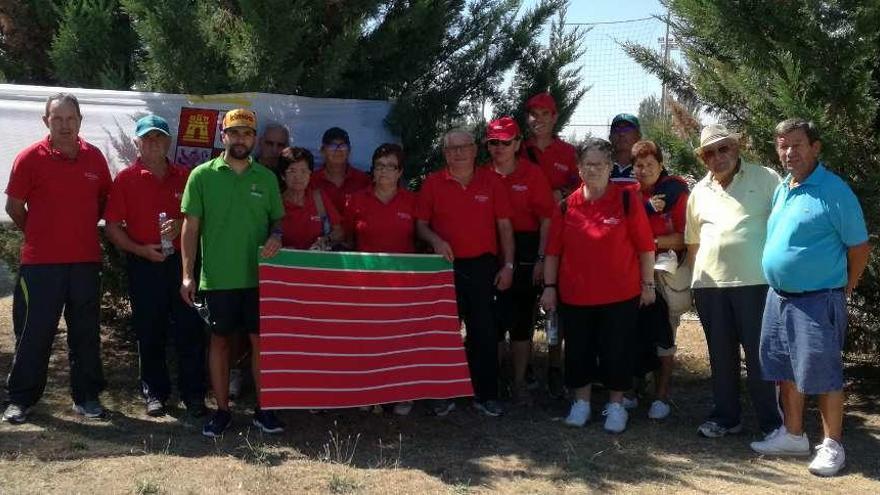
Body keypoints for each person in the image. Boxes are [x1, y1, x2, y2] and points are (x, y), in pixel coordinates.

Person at [749, 119, 870, 477]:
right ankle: (794, 434)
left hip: (818, 300)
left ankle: (833, 445)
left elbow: (859, 247)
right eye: (783, 146)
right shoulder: (784, 187)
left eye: (798, 145)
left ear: (815, 147)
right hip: (779, 297)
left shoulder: (834, 191)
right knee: (784, 370)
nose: (790, 152)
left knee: (825, 374)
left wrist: (845, 286)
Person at [2, 93, 112, 424]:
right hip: (40, 265)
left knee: (85, 333)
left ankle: (87, 398)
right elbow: (14, 207)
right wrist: (38, 234)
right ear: (46, 121)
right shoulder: (29, 158)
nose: (65, 125)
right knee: (34, 333)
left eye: (71, 119)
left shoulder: (94, 158)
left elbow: (105, 201)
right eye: (57, 118)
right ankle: (21, 400)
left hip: (84, 262)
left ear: (80, 121)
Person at [179, 108, 285, 437]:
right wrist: (187, 274)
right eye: (234, 133)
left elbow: (277, 221)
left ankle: (263, 410)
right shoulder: (201, 175)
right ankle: (223, 411)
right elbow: (190, 228)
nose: (241, 139)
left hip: (259, 279)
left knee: (260, 345)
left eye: (247, 134)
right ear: (222, 136)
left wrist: (276, 236)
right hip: (218, 278)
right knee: (220, 344)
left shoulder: (266, 178)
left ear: (254, 139)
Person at [540, 137, 655, 434]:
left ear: (610, 167)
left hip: (621, 294)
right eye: (589, 164)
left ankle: (616, 406)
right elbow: (553, 252)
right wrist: (549, 287)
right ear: (579, 168)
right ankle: (581, 403)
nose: (595, 170)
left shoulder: (628, 199)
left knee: (618, 350)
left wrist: (648, 284)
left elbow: (645, 247)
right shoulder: (566, 206)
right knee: (579, 350)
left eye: (602, 164)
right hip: (576, 296)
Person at [104, 114, 206, 418]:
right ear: (136, 143)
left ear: (168, 142)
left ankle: (194, 395)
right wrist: (139, 250)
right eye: (146, 138)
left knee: (190, 331)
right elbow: (111, 227)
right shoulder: (125, 179)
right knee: (150, 331)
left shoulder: (187, 177)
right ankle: (155, 394)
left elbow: (200, 219)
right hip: (145, 265)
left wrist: (181, 224)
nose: (153, 143)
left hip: (182, 264)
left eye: (159, 137)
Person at [686, 123, 783, 438]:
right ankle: (726, 418)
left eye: (723, 148)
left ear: (736, 147)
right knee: (721, 357)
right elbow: (693, 242)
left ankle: (771, 423)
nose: (718, 156)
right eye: (710, 152)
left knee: (760, 358)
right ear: (704, 159)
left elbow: (784, 228)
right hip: (710, 287)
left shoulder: (767, 178)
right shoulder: (698, 192)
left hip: (756, 284)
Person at [416, 128, 515, 417]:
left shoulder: (492, 181)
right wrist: (435, 241)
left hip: (483, 266)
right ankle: (441, 393)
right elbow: (420, 224)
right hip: (444, 267)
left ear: (474, 150)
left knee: (484, 332)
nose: (457, 153)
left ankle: (486, 395)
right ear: (445, 153)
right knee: (443, 333)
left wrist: (508, 265)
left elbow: (505, 227)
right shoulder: (433, 183)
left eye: (463, 147)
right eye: (451, 149)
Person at [483, 117, 555, 406]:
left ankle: (519, 380)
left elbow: (548, 219)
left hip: (526, 247)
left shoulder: (532, 174)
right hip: (491, 247)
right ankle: (497, 379)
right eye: (493, 142)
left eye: (505, 142)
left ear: (516, 144)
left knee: (522, 319)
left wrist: (540, 258)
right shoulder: (481, 174)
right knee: (494, 320)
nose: (499, 148)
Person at [344, 143, 418, 415]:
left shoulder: (412, 201)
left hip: (401, 285)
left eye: (391, 166)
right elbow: (347, 238)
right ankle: (368, 391)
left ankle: (402, 393)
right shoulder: (356, 200)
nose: (385, 171)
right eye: (380, 165)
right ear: (372, 170)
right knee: (368, 340)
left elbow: (421, 237)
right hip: (366, 283)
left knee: (399, 340)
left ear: (400, 172)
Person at [521, 92, 578, 397]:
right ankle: (526, 364)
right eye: (534, 114)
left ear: (555, 118)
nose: (539, 120)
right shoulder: (519, 150)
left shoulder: (568, 152)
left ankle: (556, 366)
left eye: (545, 114)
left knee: (557, 305)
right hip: (526, 236)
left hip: (560, 238)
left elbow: (580, 189)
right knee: (526, 306)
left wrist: (560, 194)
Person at [630, 140, 690, 420]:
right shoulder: (628, 196)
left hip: (665, 274)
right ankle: (632, 389)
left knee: (665, 335)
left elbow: (684, 238)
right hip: (633, 274)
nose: (644, 171)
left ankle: (662, 395)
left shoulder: (675, 191)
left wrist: (649, 243)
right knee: (634, 331)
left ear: (661, 165)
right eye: (638, 166)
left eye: (650, 165)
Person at [277, 146, 344, 250]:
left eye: (304, 171)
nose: (298, 176)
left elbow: (339, 232)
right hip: (285, 263)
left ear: (310, 174)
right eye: (292, 171)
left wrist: (326, 240)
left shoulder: (319, 199)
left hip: (316, 263)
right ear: (282, 175)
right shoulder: (276, 202)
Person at [309, 126, 371, 213]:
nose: (338, 150)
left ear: (349, 150)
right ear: (322, 151)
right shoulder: (311, 181)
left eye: (342, 146)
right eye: (332, 146)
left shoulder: (363, 180)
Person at [609, 113, 641, 184]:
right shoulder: (601, 166)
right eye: (616, 129)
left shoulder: (647, 166)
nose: (621, 134)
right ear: (610, 137)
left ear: (638, 137)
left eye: (627, 129)